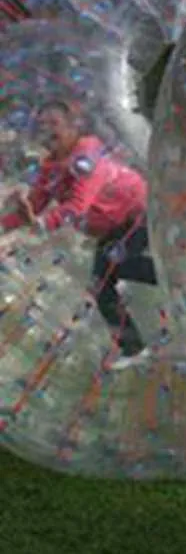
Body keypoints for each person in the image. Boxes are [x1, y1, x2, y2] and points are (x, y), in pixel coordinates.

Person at [0, 100, 156, 363]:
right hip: (113, 229)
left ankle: (140, 337)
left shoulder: (87, 157)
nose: (48, 131)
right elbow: (35, 206)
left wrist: (40, 225)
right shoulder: (51, 166)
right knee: (103, 280)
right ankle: (135, 346)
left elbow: (77, 206)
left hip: (139, 215)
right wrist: (7, 222)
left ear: (73, 127)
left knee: (107, 272)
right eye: (42, 126)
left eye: (55, 124)